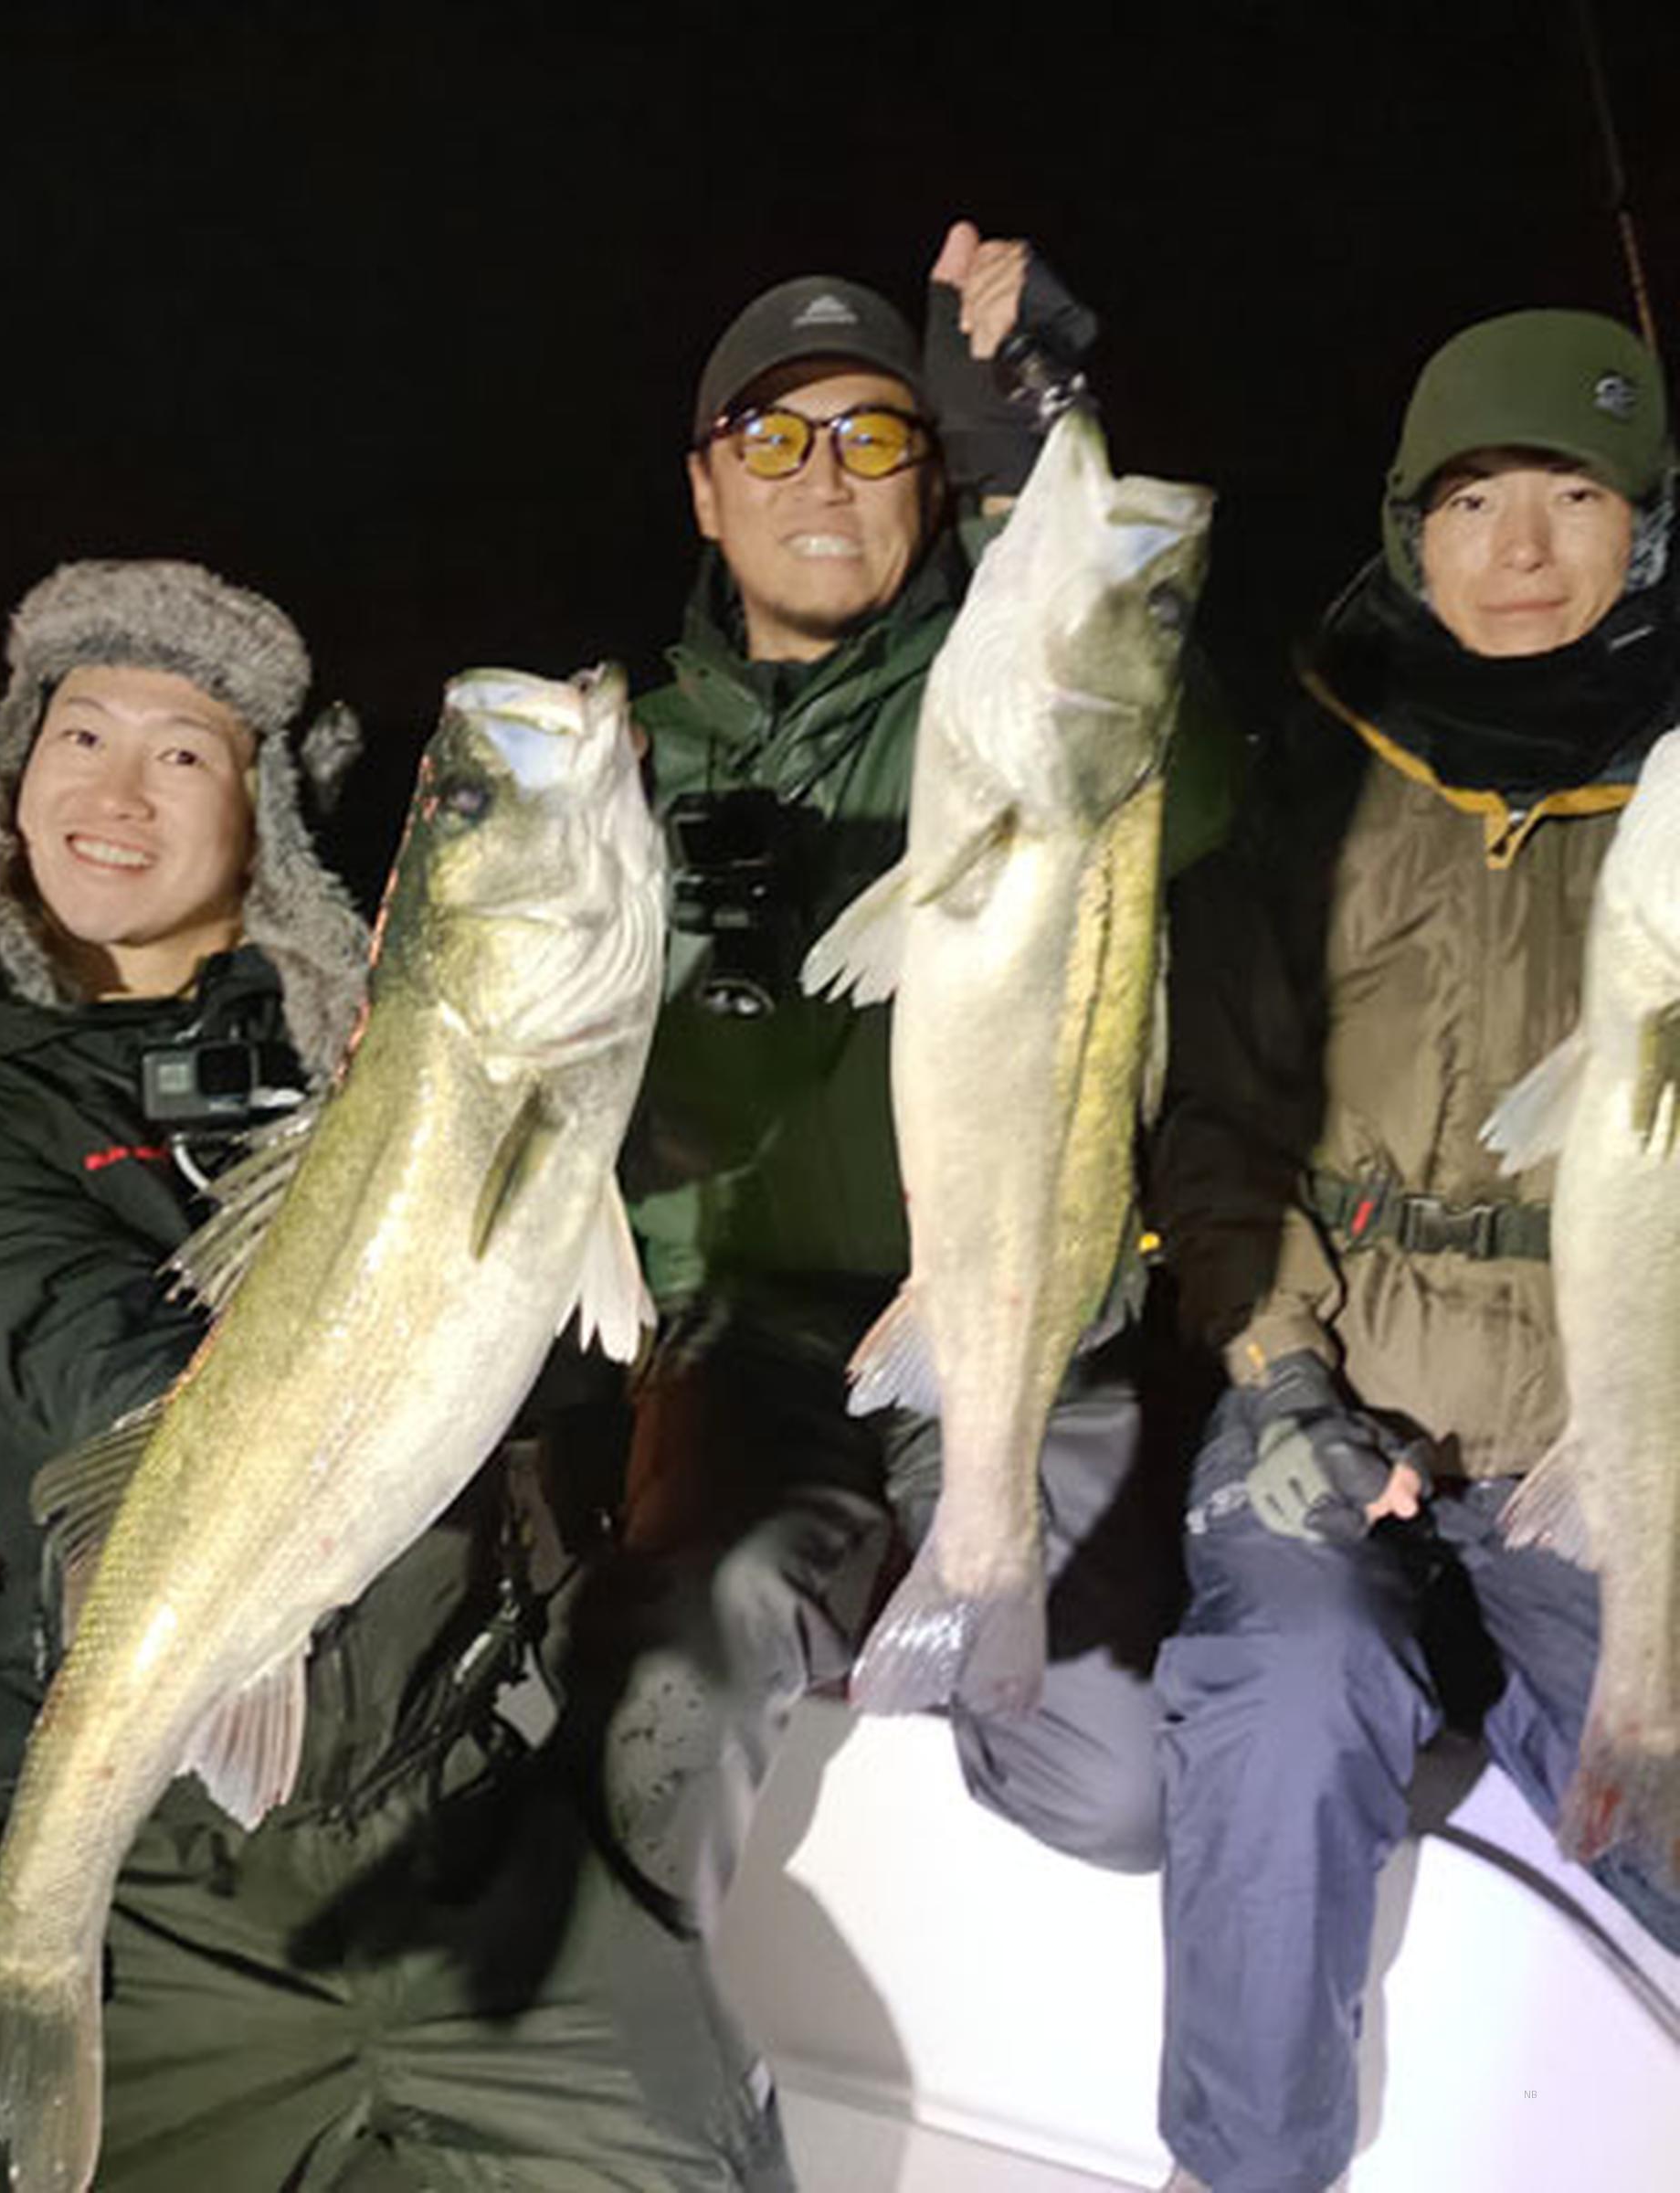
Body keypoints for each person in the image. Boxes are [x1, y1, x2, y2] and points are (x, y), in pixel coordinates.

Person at [0, 558, 790, 2191]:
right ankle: (13, 1961)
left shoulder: (369, 1052)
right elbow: (104, 1392)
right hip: (152, 1866)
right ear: (8, 787)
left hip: (457, 1803)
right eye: (79, 736)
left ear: (268, 814)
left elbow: (648, 1252)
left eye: (186, 754)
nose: (118, 793)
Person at [584, 222, 1230, 1931]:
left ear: (930, 489)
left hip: (1022, 1325)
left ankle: (943, 1563)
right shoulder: (615, 751)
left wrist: (1041, 437)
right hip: (746, 1340)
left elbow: (1190, 776)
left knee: (1118, 1792)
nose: (825, 474)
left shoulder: (1009, 698)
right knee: (662, 1707)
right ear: (703, 491)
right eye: (772, 436)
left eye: (877, 435)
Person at [1149, 307, 1680, 2193]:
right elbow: (1211, 1132)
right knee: (1288, 1704)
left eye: (1573, 496)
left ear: (1652, 525)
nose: (1520, 549)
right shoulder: (1300, 777)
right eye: (1470, 499)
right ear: (1406, 526)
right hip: (1333, 1382)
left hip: (1610, 1434)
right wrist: (1286, 1378)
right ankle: (1247, 2173)